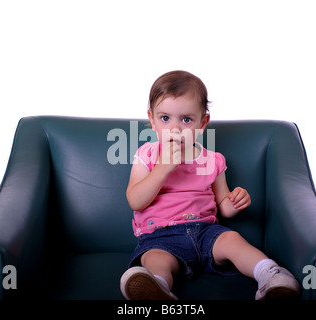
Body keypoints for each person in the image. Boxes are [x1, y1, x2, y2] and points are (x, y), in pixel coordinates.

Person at [120, 70, 300, 300]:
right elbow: (135, 200)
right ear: (152, 120)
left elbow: (223, 206)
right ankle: (157, 287)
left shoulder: (212, 160)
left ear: (202, 122)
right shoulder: (147, 155)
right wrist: (162, 169)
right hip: (160, 236)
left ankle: (272, 277)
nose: (175, 129)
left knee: (232, 240)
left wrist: (235, 200)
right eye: (165, 118)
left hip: (206, 232)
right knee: (155, 259)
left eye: (186, 120)